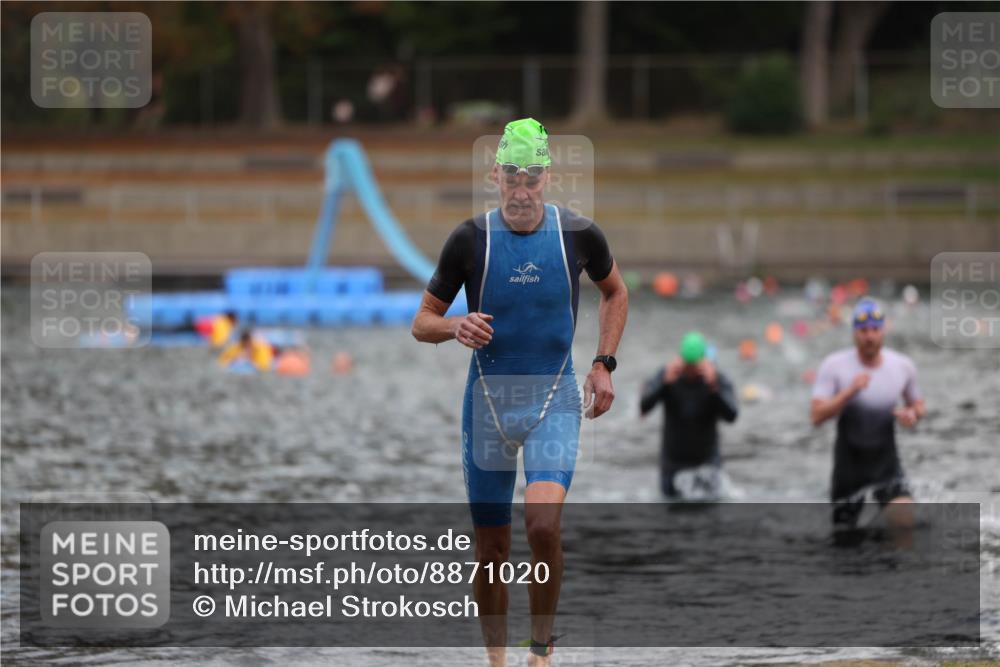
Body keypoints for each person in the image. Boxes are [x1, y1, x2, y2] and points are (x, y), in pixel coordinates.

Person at [411, 118, 628, 667]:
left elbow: (615, 292)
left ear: (548, 177)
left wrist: (603, 364)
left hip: (553, 398)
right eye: (513, 176)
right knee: (492, 551)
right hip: (487, 404)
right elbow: (422, 321)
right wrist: (455, 327)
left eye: (532, 177)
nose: (523, 188)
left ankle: (541, 650)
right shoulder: (469, 239)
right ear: (496, 175)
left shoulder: (579, 234)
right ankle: (496, 660)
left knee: (541, 525)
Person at [810, 298, 925, 532]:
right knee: (845, 543)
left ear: (884, 330)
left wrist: (912, 414)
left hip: (886, 464)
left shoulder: (902, 366)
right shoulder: (835, 366)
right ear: (854, 333)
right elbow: (816, 416)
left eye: (875, 329)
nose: (870, 336)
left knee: (904, 523)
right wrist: (849, 392)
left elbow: (918, 405)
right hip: (848, 467)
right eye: (863, 330)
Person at [639, 331, 739, 499]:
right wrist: (663, 384)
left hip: (708, 464)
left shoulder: (716, 379)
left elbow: (732, 415)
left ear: (704, 361)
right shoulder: (668, 375)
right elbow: (644, 406)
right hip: (673, 466)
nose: (690, 371)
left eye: (695, 366)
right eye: (688, 366)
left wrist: (714, 388)